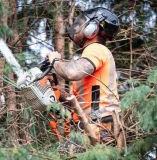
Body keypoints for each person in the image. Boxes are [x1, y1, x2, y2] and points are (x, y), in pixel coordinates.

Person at [46, 7, 121, 143]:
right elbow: (78, 100)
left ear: (92, 28)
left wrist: (55, 60)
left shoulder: (97, 49)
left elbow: (71, 72)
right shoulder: (89, 60)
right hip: (91, 129)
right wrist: (56, 90)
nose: (77, 27)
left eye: (82, 23)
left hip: (102, 130)